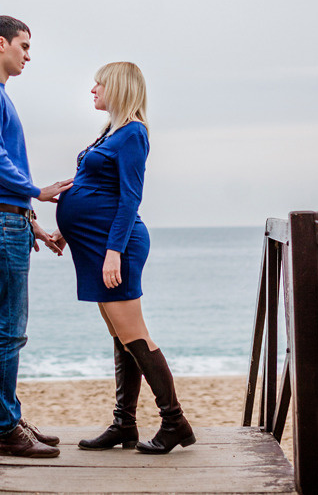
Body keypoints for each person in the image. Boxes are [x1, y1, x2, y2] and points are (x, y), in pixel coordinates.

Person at [52, 61, 195, 455]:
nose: (93, 89)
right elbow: (93, 188)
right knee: (121, 335)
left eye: (99, 83)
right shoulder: (108, 133)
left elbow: (130, 197)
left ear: (118, 87)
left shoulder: (133, 133)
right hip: (96, 243)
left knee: (135, 334)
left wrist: (113, 252)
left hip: (118, 245)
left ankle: (174, 422)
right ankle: (124, 425)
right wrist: (67, 229)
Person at [0, 15, 73, 458]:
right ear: (0, 43)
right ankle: (5, 428)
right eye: (24, 46)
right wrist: (36, 191)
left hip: (9, 219)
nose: (29, 55)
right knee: (8, 330)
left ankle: (8, 416)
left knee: (9, 328)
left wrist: (32, 222)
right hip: (1, 221)